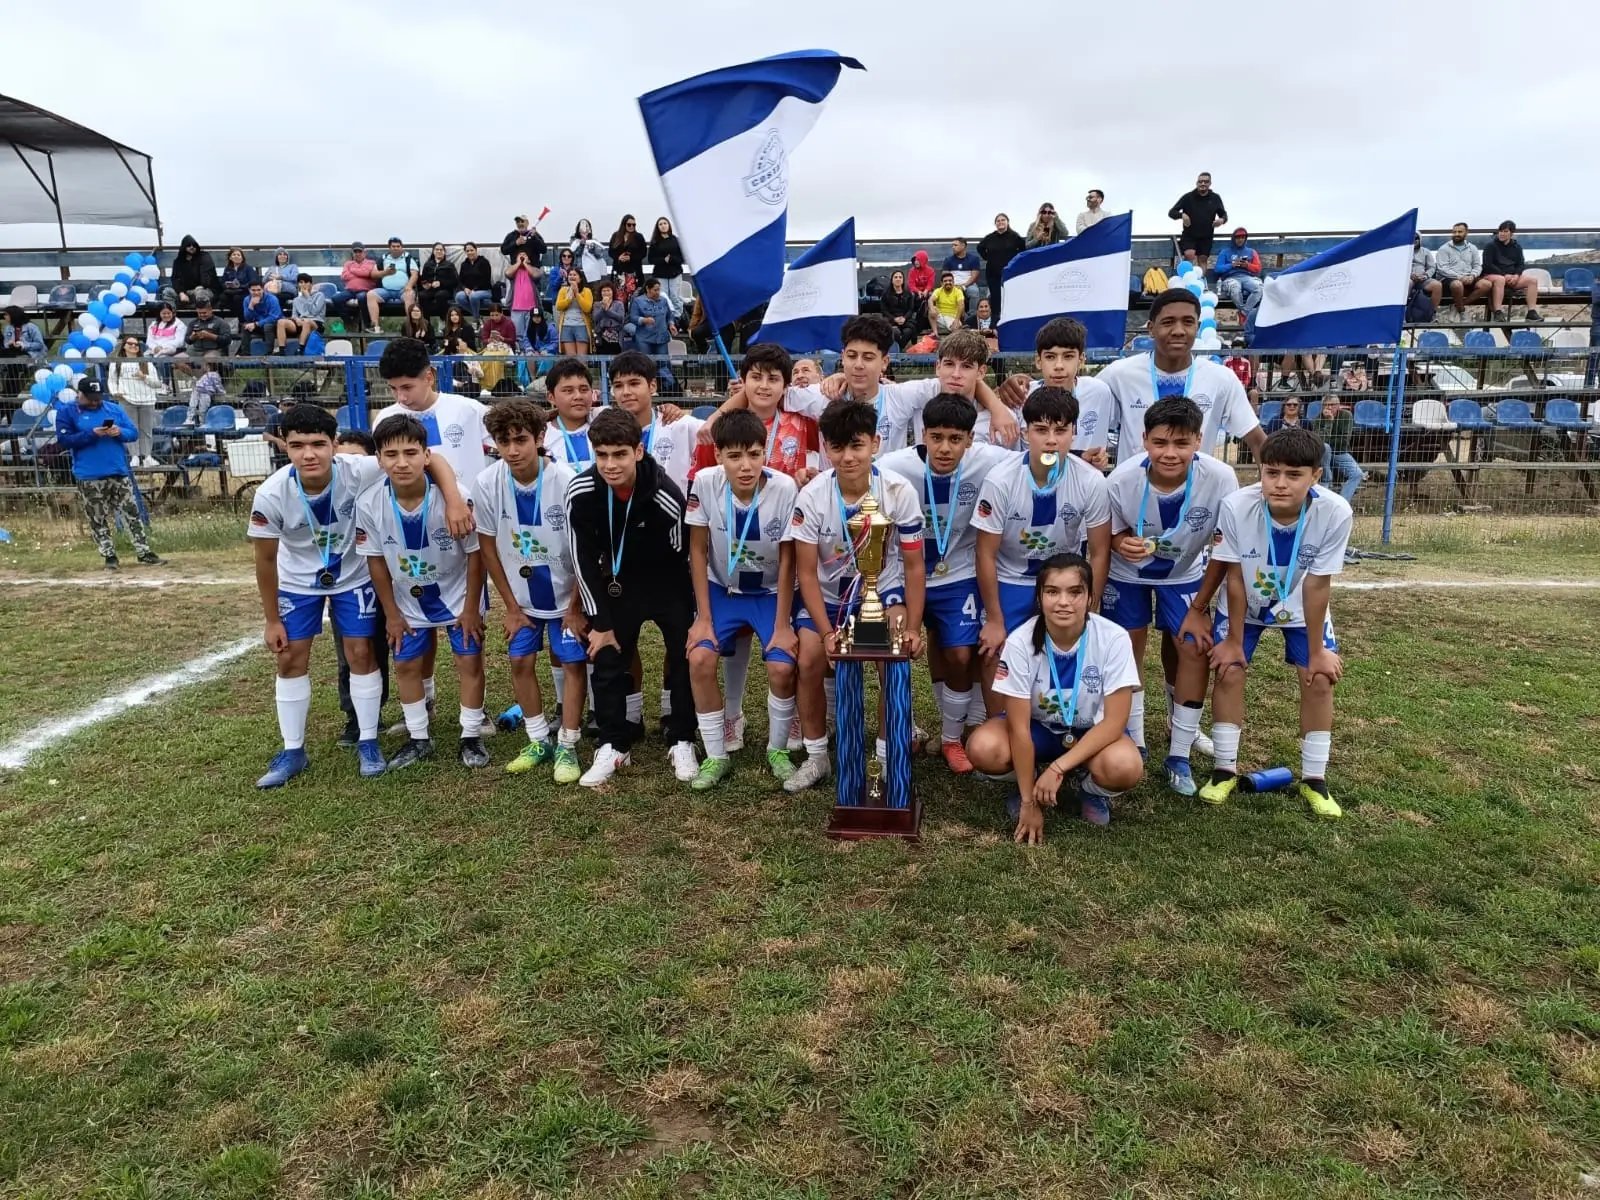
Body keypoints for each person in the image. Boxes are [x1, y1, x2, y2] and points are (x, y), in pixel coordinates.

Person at [252, 404, 468, 787]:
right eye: (298, 445)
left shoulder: (363, 468)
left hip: (354, 575)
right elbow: (266, 561)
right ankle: (293, 750)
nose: (309, 454)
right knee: (289, 658)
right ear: (285, 447)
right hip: (298, 582)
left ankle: (369, 741)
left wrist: (452, 499)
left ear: (334, 445)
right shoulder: (271, 494)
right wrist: (271, 619)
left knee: (362, 653)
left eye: (318, 444)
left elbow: (434, 461)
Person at [1196, 426, 1353, 819]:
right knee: (1228, 671)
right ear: (1261, 471)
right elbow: (1233, 575)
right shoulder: (1235, 506)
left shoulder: (1335, 511)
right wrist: (1232, 640)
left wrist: (1318, 652)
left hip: (1302, 608)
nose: (1280, 484)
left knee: (1319, 679)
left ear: (1316, 476)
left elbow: (1318, 585)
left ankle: (1315, 779)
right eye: (1271, 473)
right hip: (1244, 605)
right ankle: (1224, 770)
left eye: (1294, 475)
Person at [1102, 397, 1239, 793]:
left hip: (1184, 575)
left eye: (1181, 443)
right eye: (1160, 442)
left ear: (1199, 440)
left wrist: (1200, 607)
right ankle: (1135, 737)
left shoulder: (1221, 478)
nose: (1169, 453)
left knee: (1193, 647)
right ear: (1143, 439)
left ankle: (1179, 752)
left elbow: (1225, 549)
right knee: (1128, 651)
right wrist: (1120, 543)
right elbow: (1108, 531)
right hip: (1125, 575)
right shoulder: (1122, 479)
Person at [789, 399, 926, 794]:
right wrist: (826, 631)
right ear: (825, 448)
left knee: (894, 654)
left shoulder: (898, 492)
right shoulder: (813, 497)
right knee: (812, 658)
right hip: (829, 594)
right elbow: (806, 574)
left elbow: (915, 567)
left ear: (875, 444)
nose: (847, 457)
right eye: (837, 447)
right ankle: (818, 756)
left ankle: (886, 758)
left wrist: (914, 628)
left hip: (882, 589)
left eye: (857, 446)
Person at [965, 554, 1143, 839]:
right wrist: (1028, 802)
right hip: (1038, 732)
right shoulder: (1020, 642)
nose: (1063, 602)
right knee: (983, 748)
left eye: (1075, 592)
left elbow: (1115, 721)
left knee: (1125, 766)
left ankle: (1088, 789)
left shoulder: (1114, 638)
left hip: (1091, 734)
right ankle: (1030, 782)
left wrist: (1059, 768)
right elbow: (1019, 728)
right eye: (1052, 592)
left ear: (1090, 597)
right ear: (1039, 598)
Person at [565, 406, 698, 786]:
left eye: (620, 454)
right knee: (605, 653)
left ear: (638, 451)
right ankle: (613, 743)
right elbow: (582, 559)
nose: (610, 464)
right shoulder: (582, 492)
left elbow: (681, 552)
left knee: (682, 653)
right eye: (602, 455)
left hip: (666, 579)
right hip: (616, 580)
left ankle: (682, 736)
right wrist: (601, 622)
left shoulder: (665, 495)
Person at [879, 394, 1012, 773]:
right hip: (903, 575)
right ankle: (898, 733)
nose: (944, 447)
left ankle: (952, 739)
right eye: (936, 437)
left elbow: (1034, 458)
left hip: (958, 575)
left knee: (960, 655)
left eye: (955, 438)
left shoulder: (990, 460)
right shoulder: (892, 467)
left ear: (971, 439)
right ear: (922, 435)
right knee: (893, 651)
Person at [357, 413, 489, 772]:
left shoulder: (455, 497)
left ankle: (471, 735)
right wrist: (393, 615)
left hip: (459, 594)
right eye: (392, 454)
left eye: (411, 452)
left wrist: (471, 608)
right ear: (379, 459)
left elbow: (476, 554)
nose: (402, 462)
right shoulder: (369, 503)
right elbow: (376, 564)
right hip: (407, 602)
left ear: (427, 455)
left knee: (469, 661)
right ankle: (419, 737)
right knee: (405, 664)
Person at [684, 409, 802, 788]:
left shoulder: (784, 489)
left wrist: (783, 625)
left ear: (765, 450)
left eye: (754, 453)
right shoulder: (703, 483)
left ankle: (778, 749)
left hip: (769, 593)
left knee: (783, 667)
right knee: (700, 657)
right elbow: (698, 553)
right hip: (724, 590)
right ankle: (716, 755)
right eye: (734, 456)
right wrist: (703, 617)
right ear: (718, 455)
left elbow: (788, 560)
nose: (746, 465)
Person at [973, 387, 1112, 704]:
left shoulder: (1091, 481)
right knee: (995, 649)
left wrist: (1091, 601)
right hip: (1012, 578)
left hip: (1066, 580)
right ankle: (1000, 728)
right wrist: (995, 619)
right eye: (1041, 430)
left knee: (1070, 650)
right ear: (1025, 432)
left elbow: (1101, 551)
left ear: (1074, 434)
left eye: (1061, 430)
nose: (1051, 440)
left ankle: (1065, 719)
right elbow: (985, 552)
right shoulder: (1000, 480)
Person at [476, 400, 589, 781]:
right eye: (502, 441)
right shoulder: (487, 482)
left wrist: (576, 606)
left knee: (572, 662)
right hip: (522, 600)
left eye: (520, 440)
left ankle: (569, 745)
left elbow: (584, 549)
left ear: (540, 438)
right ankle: (539, 738)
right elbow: (488, 545)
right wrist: (509, 606)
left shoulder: (569, 480)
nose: (511, 450)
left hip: (565, 597)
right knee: (520, 662)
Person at [1097, 289, 1264, 466]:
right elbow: (1077, 419)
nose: (1178, 331)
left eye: (1188, 322)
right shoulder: (1119, 375)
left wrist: (1267, 491)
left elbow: (1257, 440)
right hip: (1133, 492)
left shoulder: (1221, 379)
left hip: (1197, 492)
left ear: (1197, 328)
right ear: (1151, 329)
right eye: (1168, 322)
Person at [55, 378, 165, 570]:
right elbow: (64, 440)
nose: (95, 402)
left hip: (118, 470)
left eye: (98, 398)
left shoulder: (113, 409)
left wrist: (119, 432)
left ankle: (144, 551)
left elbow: (133, 433)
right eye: (90, 399)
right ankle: (109, 555)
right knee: (97, 517)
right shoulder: (67, 412)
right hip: (89, 474)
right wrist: (91, 434)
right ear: (79, 395)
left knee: (131, 513)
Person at [328, 428, 392, 747]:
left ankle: (410, 705)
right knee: (351, 651)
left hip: (386, 576)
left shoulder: (380, 486)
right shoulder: (328, 489)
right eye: (343, 459)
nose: (349, 467)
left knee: (384, 647)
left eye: (358, 460)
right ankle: (356, 717)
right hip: (346, 581)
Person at [996, 317, 1116, 469]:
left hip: (1086, 487)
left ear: (1081, 359)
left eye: (1068, 356)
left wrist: (1097, 461)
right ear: (1038, 361)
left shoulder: (1100, 392)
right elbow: (1013, 457)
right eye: (1050, 357)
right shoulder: (1021, 396)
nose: (1059, 366)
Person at [110, 334, 162, 466]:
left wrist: (144, 376)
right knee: (130, 428)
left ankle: (147, 456)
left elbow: (157, 383)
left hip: (147, 400)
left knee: (146, 429)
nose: (133, 346)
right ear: (124, 346)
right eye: (130, 344)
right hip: (127, 400)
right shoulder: (116, 362)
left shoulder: (147, 363)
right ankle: (134, 456)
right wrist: (116, 392)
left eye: (136, 344)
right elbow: (112, 381)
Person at [1479, 220, 1543, 323]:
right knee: (1500, 280)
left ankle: (1531, 312)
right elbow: (1487, 265)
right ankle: (1498, 312)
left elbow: (1521, 264)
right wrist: (1504, 275)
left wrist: (1516, 275)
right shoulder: (1490, 246)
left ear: (1511, 233)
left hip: (1511, 276)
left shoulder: (1516, 247)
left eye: (1505, 231)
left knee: (1532, 281)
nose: (1502, 234)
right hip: (1493, 276)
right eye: (1500, 231)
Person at [542, 356, 599, 471]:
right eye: (568, 391)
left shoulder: (605, 428)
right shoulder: (542, 438)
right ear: (551, 397)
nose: (578, 396)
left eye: (584, 390)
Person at [1168, 173, 1228, 269]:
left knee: (1203, 259)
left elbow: (1224, 215)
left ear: (1210, 183)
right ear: (1197, 183)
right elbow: (1171, 212)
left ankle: (1201, 282)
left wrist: (1221, 220)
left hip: (1206, 236)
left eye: (1206, 181)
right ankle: (1186, 280)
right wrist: (1182, 215)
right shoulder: (1187, 197)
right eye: (1200, 181)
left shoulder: (1215, 198)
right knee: (1189, 254)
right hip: (1189, 235)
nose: (1203, 183)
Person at [1311, 395, 1364, 503]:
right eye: (1326, 405)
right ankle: (1326, 484)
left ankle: (1342, 502)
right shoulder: (1317, 419)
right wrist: (1329, 422)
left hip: (1340, 452)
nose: (1329, 407)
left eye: (1332, 405)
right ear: (1322, 407)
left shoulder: (1346, 416)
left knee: (1357, 474)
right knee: (1326, 448)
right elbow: (1320, 443)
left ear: (1338, 406)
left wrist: (1329, 440)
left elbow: (1344, 441)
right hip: (1324, 455)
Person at [977, 214, 1026, 322]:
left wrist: (1015, 261)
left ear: (1007, 222)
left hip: (1009, 273)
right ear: (995, 223)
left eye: (1003, 220)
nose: (1000, 222)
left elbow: (1023, 249)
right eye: (998, 221)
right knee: (995, 299)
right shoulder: (990, 237)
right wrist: (987, 257)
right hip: (993, 273)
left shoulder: (1014, 236)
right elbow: (980, 247)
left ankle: (1010, 320)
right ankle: (995, 323)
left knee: (1009, 298)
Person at [1432, 223, 1483, 324]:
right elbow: (1442, 268)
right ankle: (1462, 311)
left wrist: (1472, 276)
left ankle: (1457, 306)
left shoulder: (1472, 248)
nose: (1456, 234)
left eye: (1460, 232)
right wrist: (1460, 277)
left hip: (1469, 276)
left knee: (1486, 285)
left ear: (1466, 233)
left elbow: (1477, 265)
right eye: (1454, 232)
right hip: (1448, 279)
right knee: (1457, 284)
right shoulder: (1444, 248)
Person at [368, 237, 419, 328]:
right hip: (386, 290)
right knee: (370, 295)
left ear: (401, 247)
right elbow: (373, 274)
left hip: (403, 290)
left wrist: (409, 285)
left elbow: (414, 274)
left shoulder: (408, 258)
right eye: (393, 246)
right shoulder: (383, 258)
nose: (396, 248)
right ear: (389, 248)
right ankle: (375, 326)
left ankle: (411, 326)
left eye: (398, 246)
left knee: (410, 294)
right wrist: (385, 272)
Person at [333, 242, 382, 330]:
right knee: (335, 299)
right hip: (350, 290)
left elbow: (367, 273)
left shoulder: (371, 262)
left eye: (360, 251)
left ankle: (367, 324)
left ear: (364, 252)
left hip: (365, 290)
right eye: (355, 252)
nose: (357, 254)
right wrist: (360, 272)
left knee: (362, 297)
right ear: (353, 253)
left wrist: (353, 270)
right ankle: (348, 321)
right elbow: (344, 276)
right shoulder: (348, 263)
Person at [1214, 228, 1262, 314]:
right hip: (1231, 278)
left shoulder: (1251, 252)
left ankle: (1244, 312)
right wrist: (1231, 265)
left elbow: (1257, 268)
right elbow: (1217, 269)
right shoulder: (1225, 252)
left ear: (1245, 239)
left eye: (1242, 237)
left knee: (1258, 290)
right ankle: (1243, 311)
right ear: (1233, 238)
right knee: (1235, 290)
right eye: (1238, 237)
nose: (1240, 240)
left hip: (1247, 277)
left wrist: (1247, 265)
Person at [276, 274, 327, 354]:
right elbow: (294, 315)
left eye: (306, 282)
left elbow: (314, 312)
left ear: (311, 284)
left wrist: (307, 296)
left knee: (307, 322)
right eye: (301, 282)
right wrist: (297, 319)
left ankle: (300, 349)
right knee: (281, 322)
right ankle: (282, 350)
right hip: (301, 322)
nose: (303, 285)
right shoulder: (296, 300)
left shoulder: (319, 295)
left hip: (316, 323)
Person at [646, 217, 685, 318]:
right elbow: (651, 259)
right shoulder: (655, 242)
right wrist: (663, 260)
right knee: (663, 297)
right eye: (660, 224)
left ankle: (677, 319)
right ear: (658, 227)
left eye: (665, 223)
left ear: (669, 225)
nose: (663, 226)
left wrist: (671, 259)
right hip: (660, 274)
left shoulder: (675, 240)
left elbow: (682, 258)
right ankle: (666, 319)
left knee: (675, 297)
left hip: (675, 273)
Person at [1, 306, 45, 394]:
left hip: (29, 354)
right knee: (10, 360)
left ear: (14, 315)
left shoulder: (31, 327)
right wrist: (10, 344)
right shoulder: (8, 328)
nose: (4, 317)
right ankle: (10, 393)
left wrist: (24, 345)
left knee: (13, 365)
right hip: (14, 352)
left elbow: (40, 344)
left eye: (6, 315)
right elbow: (5, 343)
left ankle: (9, 393)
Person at [166, 234, 219, 306]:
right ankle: (170, 315)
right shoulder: (178, 261)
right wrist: (181, 293)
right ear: (184, 247)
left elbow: (207, 276)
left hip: (204, 290)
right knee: (167, 292)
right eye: (188, 245)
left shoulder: (204, 256)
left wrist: (202, 286)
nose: (192, 247)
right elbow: (175, 278)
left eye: (194, 245)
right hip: (186, 292)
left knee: (201, 293)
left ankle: (202, 315)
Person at [628, 277, 675, 357]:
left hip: (661, 338)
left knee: (663, 363)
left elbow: (669, 315)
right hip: (644, 339)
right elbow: (633, 317)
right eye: (655, 290)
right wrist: (644, 320)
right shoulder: (638, 301)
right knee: (646, 364)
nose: (658, 292)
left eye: (659, 290)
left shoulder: (663, 300)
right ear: (647, 289)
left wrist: (671, 325)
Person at [505, 249, 541, 351]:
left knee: (532, 331)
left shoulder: (535, 269)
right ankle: (520, 353)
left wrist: (525, 263)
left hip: (532, 308)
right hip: (516, 308)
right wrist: (518, 263)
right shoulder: (513, 270)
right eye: (520, 255)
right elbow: (507, 273)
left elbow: (536, 275)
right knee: (518, 334)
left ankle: (531, 351)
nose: (522, 257)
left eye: (524, 255)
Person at [182, 291, 231, 359]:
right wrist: (193, 337)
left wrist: (210, 336)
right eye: (199, 313)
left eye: (204, 313)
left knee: (209, 359)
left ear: (210, 310)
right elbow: (187, 340)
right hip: (195, 350)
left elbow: (227, 340)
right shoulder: (193, 323)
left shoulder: (220, 322)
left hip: (214, 350)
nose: (202, 315)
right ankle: (191, 370)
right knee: (178, 359)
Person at [555, 268, 593, 355]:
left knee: (581, 358)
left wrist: (577, 294)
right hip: (566, 326)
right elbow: (559, 306)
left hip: (581, 326)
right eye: (570, 274)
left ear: (580, 278)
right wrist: (569, 298)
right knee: (571, 359)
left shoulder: (587, 291)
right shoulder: (563, 290)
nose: (572, 276)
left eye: (574, 275)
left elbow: (587, 308)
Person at [239, 281, 282, 355]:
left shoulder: (272, 299)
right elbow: (247, 318)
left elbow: (274, 317)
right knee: (245, 326)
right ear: (249, 290)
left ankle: (269, 353)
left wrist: (257, 324)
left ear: (263, 289)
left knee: (267, 326)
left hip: (273, 324)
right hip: (257, 323)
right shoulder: (247, 300)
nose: (256, 293)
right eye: (253, 290)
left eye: (258, 290)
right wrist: (251, 306)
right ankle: (245, 353)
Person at [880, 270, 921, 349]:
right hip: (891, 318)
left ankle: (900, 347)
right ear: (892, 280)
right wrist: (894, 319)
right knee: (895, 332)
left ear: (903, 280)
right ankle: (896, 348)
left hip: (905, 318)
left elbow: (910, 309)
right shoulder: (885, 293)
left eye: (900, 277)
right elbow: (884, 310)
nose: (898, 279)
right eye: (895, 277)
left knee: (908, 331)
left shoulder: (908, 293)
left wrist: (904, 318)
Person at [417, 242, 458, 320]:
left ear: (444, 252)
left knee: (440, 295)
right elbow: (423, 279)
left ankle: (443, 320)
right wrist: (425, 284)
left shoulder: (449, 265)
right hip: (430, 290)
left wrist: (441, 283)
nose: (439, 251)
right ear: (433, 251)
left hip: (445, 290)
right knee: (422, 295)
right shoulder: (428, 264)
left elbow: (455, 281)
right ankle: (426, 322)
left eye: (441, 250)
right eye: (437, 250)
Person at [454, 242, 495, 319]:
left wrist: (474, 290)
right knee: (459, 296)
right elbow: (460, 280)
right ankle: (478, 316)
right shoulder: (464, 264)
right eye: (467, 251)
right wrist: (464, 288)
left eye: (471, 250)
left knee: (473, 296)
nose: (470, 252)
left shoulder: (484, 262)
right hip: (468, 291)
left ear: (476, 250)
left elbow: (486, 279)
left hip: (485, 291)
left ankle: (476, 319)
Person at [942, 238, 983, 311]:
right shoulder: (948, 260)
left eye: (955, 245)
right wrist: (953, 285)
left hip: (969, 285)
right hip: (953, 284)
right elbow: (945, 276)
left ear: (963, 246)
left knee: (974, 292)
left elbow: (974, 277)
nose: (953, 247)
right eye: (953, 245)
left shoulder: (974, 259)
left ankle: (972, 316)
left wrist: (964, 286)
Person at [608, 215, 648, 287]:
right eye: (629, 225)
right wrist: (618, 257)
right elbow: (611, 251)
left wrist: (631, 257)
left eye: (634, 225)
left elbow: (643, 252)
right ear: (624, 224)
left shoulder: (639, 237)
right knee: (619, 295)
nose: (632, 226)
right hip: (619, 270)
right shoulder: (616, 236)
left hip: (634, 271)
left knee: (634, 294)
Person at [591, 280, 627, 356]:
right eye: (603, 291)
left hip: (615, 335)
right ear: (600, 293)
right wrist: (603, 308)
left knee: (615, 358)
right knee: (602, 357)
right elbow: (595, 318)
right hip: (601, 334)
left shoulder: (619, 304)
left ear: (612, 292)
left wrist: (607, 311)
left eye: (608, 290)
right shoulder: (597, 304)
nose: (606, 292)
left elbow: (621, 318)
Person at [218, 248, 256, 317]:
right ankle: (230, 317)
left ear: (242, 258)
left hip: (243, 291)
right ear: (230, 257)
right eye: (234, 255)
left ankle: (241, 319)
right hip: (231, 291)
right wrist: (227, 285)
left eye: (238, 255)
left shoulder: (248, 268)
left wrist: (240, 286)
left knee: (237, 299)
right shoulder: (227, 269)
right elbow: (223, 281)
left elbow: (252, 281)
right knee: (223, 298)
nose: (236, 256)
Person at [1411, 234, 1443, 314]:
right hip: (1408, 279)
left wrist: (1425, 276)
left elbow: (1432, 267)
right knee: (1407, 284)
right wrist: (1410, 275)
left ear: (1420, 239)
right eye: (1412, 238)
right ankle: (1401, 315)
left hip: (1423, 279)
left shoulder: (1426, 251)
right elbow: (1400, 267)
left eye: (1416, 238)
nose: (1415, 240)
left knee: (1437, 285)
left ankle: (1432, 314)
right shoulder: (1403, 251)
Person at [928, 270, 966, 334]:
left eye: (950, 280)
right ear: (942, 283)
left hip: (952, 318)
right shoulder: (938, 290)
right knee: (931, 309)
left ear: (953, 282)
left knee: (956, 330)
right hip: (940, 317)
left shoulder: (958, 291)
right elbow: (930, 300)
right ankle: (935, 333)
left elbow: (961, 305)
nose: (948, 282)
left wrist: (956, 320)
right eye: (945, 281)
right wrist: (932, 309)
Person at [571, 219, 608, 284]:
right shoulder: (574, 241)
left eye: (587, 226)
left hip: (593, 272)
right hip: (580, 271)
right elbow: (576, 253)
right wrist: (582, 244)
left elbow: (599, 254)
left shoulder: (594, 241)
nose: (585, 229)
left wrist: (591, 246)